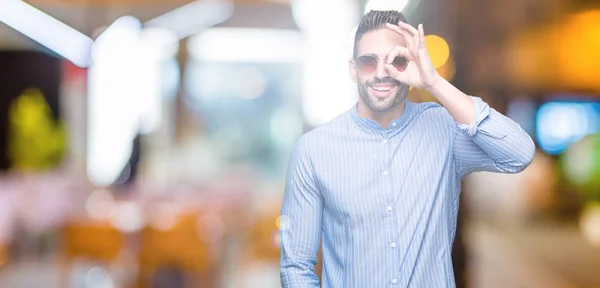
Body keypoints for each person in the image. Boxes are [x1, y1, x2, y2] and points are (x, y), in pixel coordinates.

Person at [279, 9, 535, 288]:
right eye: (368, 61)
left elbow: (519, 153)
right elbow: (296, 266)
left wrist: (434, 82)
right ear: (353, 69)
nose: (381, 73)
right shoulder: (314, 150)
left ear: (412, 64)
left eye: (396, 61)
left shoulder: (445, 130)